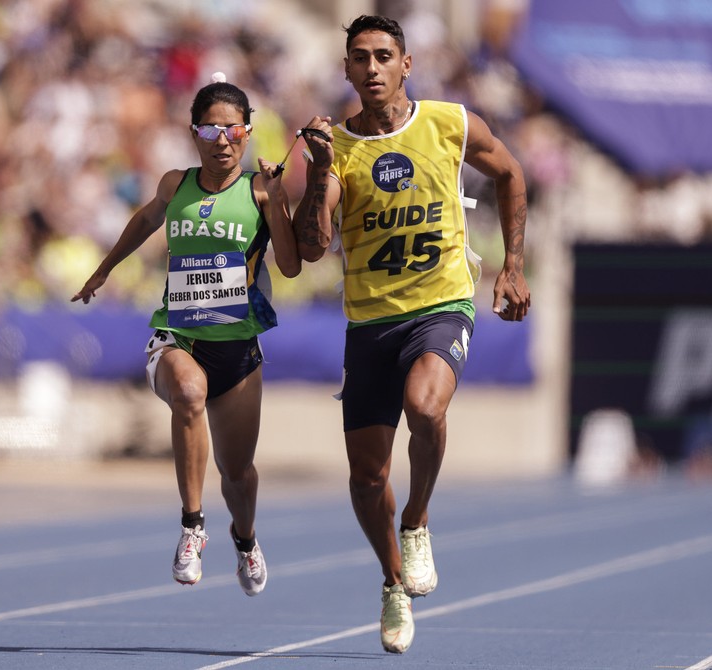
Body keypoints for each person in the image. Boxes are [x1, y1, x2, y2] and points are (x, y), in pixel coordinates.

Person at [292, 15, 531, 654]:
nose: (371, 68)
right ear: (345, 70)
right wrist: (318, 173)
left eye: (383, 56)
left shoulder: (449, 124)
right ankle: (394, 582)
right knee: (367, 478)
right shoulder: (337, 147)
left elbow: (510, 173)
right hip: (369, 323)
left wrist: (512, 265)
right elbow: (313, 248)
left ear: (406, 64)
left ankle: (418, 519)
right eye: (359, 58)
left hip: (440, 305)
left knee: (425, 406)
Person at [72, 74, 300, 596]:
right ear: (193, 132)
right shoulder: (176, 183)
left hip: (238, 346)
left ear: (248, 132)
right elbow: (146, 220)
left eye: (233, 130)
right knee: (189, 393)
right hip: (177, 335)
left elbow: (288, 266)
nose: (223, 140)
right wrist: (104, 270)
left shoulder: (260, 189)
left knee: (238, 474)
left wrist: (280, 201)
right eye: (211, 129)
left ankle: (244, 539)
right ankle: (192, 527)